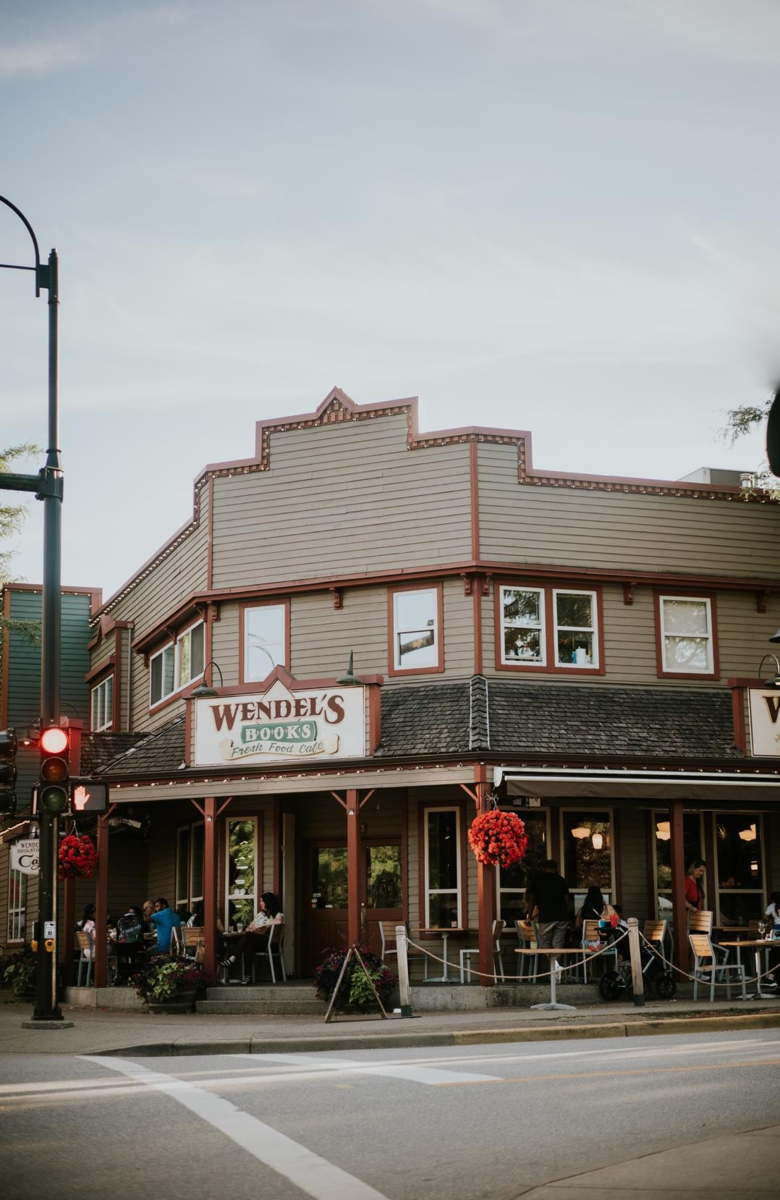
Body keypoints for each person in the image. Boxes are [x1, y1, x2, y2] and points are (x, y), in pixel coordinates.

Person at [220, 892, 284, 984]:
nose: (260, 903)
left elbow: (279, 922)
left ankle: (233, 958)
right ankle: (247, 977)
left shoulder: (278, 915)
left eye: (262, 901)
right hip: (257, 940)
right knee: (249, 945)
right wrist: (253, 928)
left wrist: (264, 924)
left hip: (269, 943)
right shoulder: (260, 915)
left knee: (249, 936)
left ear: (267, 902)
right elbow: (248, 928)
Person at [525, 860, 572, 951]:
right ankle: (555, 964)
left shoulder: (536, 880)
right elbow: (567, 901)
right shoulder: (561, 880)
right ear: (555, 869)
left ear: (543, 868)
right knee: (558, 945)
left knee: (544, 945)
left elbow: (532, 901)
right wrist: (569, 917)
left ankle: (552, 963)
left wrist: (529, 916)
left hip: (546, 916)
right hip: (561, 917)